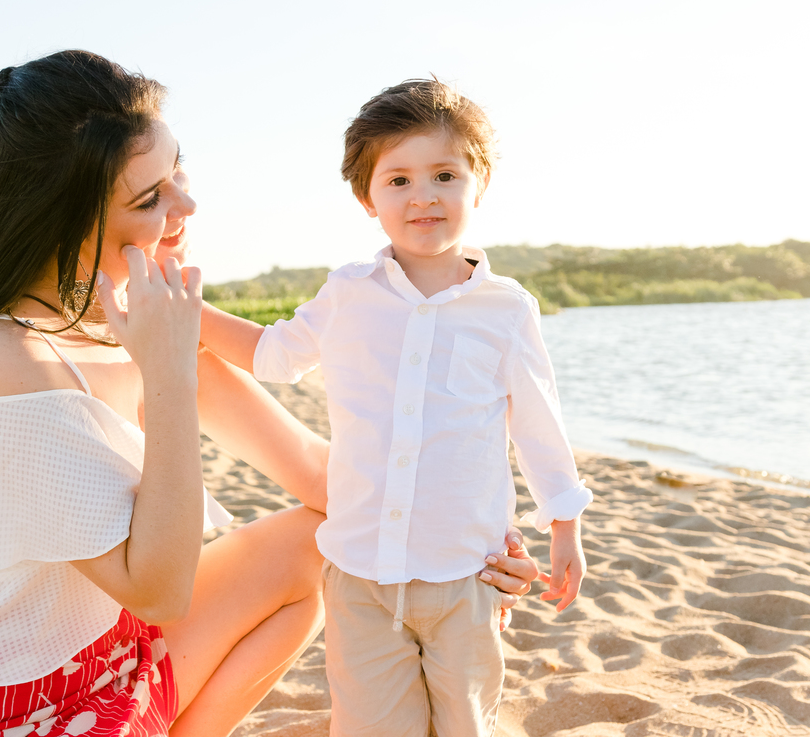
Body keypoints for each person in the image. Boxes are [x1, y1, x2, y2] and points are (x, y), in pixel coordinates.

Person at [0, 52, 540, 737]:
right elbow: (158, 589)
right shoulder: (3, 362)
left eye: (177, 168)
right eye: (150, 197)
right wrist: (167, 371)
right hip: (0, 710)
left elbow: (325, 480)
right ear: (60, 221)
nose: (186, 205)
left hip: (105, 659)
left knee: (316, 545)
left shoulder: (131, 323)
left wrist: (468, 540)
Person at [200, 79, 592, 736]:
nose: (424, 196)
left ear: (479, 184)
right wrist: (186, 314)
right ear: (367, 198)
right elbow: (274, 355)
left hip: (466, 574)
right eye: (399, 180)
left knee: (465, 721)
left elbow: (537, 425)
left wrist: (564, 525)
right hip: (360, 574)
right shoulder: (349, 294)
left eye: (444, 175)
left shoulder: (506, 308)